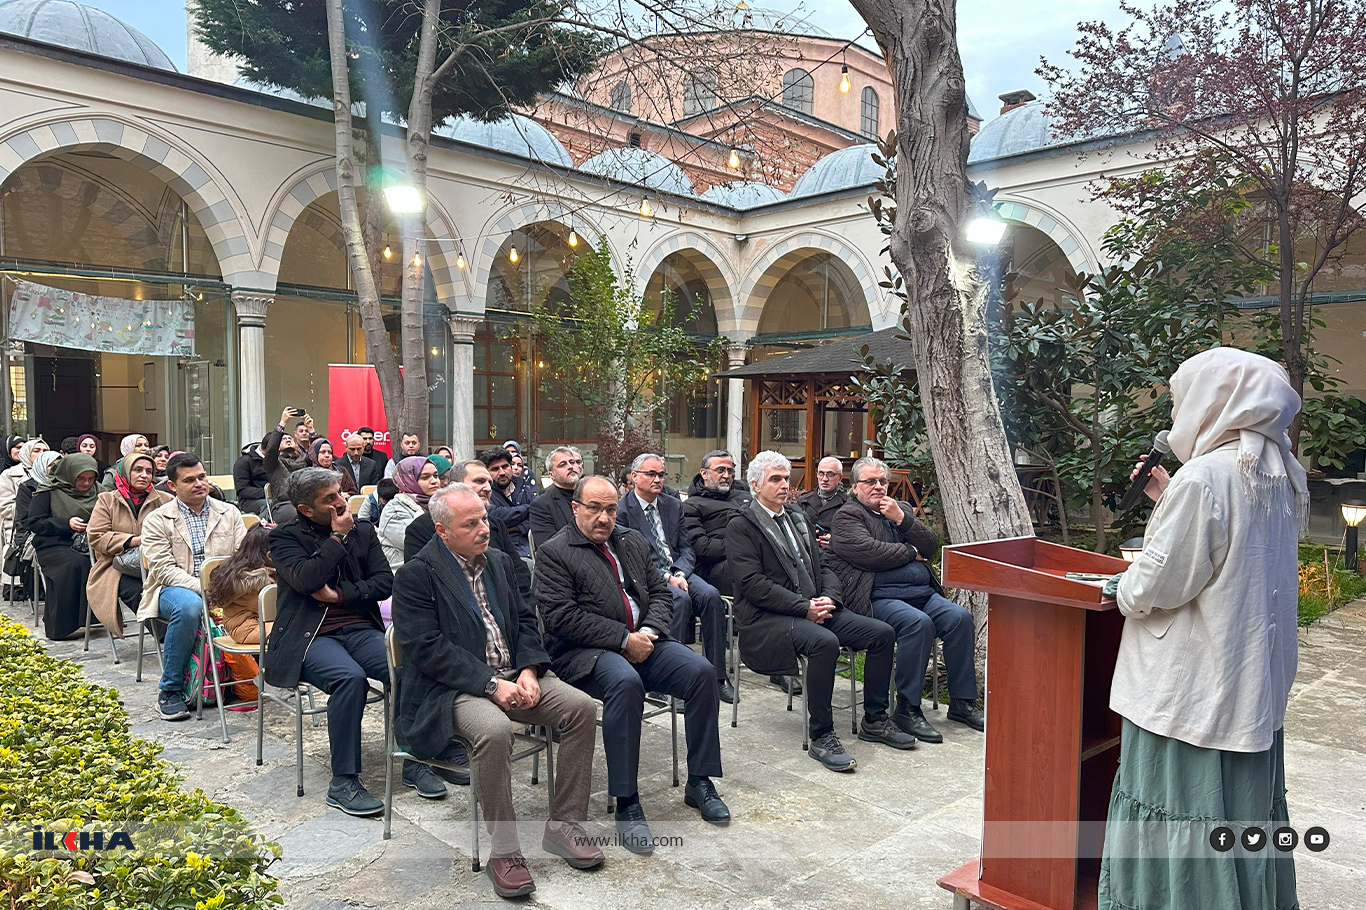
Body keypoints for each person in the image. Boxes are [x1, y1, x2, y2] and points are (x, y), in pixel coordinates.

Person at [1098, 348, 1302, 910]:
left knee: (1178, 813)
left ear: (1214, 399)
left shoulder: (1205, 478)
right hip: (1248, 678)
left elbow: (1155, 588)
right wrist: (1170, 500)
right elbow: (1237, 553)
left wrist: (1125, 582)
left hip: (1190, 688)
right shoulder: (1280, 470)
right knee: (1238, 814)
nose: (1178, 411)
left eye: (1181, 398)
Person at [392, 484, 603, 896]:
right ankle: (504, 852)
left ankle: (564, 823)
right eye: (469, 524)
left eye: (484, 519)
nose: (483, 529)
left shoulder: (502, 563)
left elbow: (527, 621)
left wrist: (528, 670)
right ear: (442, 531)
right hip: (453, 688)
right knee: (494, 730)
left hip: (514, 672)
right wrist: (491, 685)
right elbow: (426, 649)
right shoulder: (417, 575)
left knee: (580, 707)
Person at [535, 475, 730, 851]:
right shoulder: (555, 552)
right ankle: (627, 803)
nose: (604, 518)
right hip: (583, 652)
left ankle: (700, 781)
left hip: (646, 640)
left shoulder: (630, 539)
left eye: (610, 509)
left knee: (702, 672)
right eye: (594, 508)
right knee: (625, 683)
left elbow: (660, 591)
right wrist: (623, 640)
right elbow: (562, 617)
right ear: (576, 508)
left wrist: (650, 633)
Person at [265, 466, 443, 815]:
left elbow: (384, 583)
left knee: (410, 665)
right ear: (306, 509)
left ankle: (413, 758)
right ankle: (343, 782)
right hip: (310, 635)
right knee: (350, 679)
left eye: (340, 492)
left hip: (359, 627)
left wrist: (340, 596)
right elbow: (306, 578)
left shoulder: (363, 529)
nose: (341, 501)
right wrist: (337, 539)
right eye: (329, 498)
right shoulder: (284, 537)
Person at [728, 451, 912, 770]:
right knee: (823, 643)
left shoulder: (797, 516)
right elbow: (752, 584)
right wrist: (803, 607)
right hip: (769, 618)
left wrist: (830, 598)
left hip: (815, 607)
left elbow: (824, 565)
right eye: (775, 479)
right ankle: (822, 735)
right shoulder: (742, 526)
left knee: (882, 634)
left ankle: (876, 721)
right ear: (755, 485)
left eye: (786, 478)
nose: (784, 484)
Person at [827, 456, 983, 743]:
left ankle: (962, 703)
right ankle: (908, 709)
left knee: (959, 618)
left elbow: (932, 546)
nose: (878, 487)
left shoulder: (901, 510)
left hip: (922, 594)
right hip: (878, 597)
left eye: (883, 481)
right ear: (854, 487)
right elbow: (869, 553)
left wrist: (901, 518)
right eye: (870, 482)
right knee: (917, 624)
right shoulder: (847, 516)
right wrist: (911, 552)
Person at [618, 453, 735, 704]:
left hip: (679, 571)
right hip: (645, 577)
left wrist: (679, 572)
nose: (657, 479)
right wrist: (665, 577)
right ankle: (674, 679)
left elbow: (687, 547)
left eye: (661, 475)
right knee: (679, 600)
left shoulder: (672, 504)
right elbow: (628, 557)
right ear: (635, 477)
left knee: (711, 596)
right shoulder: (622, 510)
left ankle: (718, 677)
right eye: (651, 474)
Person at [139, 454, 247, 721]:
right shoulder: (157, 519)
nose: (200, 483)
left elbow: (242, 558)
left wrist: (224, 588)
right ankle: (170, 690)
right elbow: (163, 570)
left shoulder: (228, 512)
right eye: (189, 480)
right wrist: (204, 589)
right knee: (190, 607)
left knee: (269, 595)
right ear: (172, 486)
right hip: (173, 587)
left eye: (202, 477)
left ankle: (253, 680)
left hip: (223, 587)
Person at [681, 450, 798, 694]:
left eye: (731, 471)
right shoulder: (693, 505)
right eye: (720, 470)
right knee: (762, 583)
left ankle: (779, 668)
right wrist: (740, 546)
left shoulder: (744, 496)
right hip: (715, 569)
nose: (726, 475)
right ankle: (721, 678)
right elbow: (701, 548)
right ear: (704, 474)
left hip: (753, 563)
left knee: (783, 579)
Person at [405, 460, 532, 600]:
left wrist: (523, 616)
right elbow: (421, 587)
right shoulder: (421, 529)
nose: (488, 488)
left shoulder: (496, 525)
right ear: (454, 486)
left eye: (490, 483)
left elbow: (519, 574)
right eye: (479, 481)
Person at [86, 451, 172, 639]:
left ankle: (185, 630)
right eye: (138, 470)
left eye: (149, 471)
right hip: (114, 566)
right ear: (125, 472)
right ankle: (168, 637)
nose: (144, 475)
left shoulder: (165, 500)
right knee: (139, 591)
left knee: (175, 589)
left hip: (158, 563)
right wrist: (134, 541)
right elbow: (96, 536)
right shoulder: (107, 500)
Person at [28, 453, 102, 640]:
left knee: (106, 564)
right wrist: (66, 524)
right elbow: (35, 523)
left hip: (91, 542)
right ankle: (62, 625)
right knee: (75, 564)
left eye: (90, 479)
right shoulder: (48, 491)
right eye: (80, 479)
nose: (86, 484)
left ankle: (98, 616)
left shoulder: (99, 492)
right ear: (68, 474)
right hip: (54, 543)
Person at [205, 523, 275, 645]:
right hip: (248, 627)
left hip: (262, 622)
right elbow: (271, 608)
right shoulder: (253, 580)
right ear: (269, 555)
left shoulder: (246, 568)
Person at [379, 456, 441, 569]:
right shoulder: (394, 509)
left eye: (436, 476)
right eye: (425, 477)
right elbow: (415, 542)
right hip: (402, 571)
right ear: (408, 480)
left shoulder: (441, 503)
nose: (434, 481)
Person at [482, 447, 533, 559]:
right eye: (495, 469)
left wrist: (517, 528)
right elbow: (495, 517)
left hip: (530, 548)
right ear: (486, 472)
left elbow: (536, 517)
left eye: (505, 467)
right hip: (501, 553)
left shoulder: (525, 488)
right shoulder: (485, 493)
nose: (502, 472)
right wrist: (527, 508)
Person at [527, 446, 583, 543]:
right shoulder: (541, 505)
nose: (570, 466)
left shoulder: (591, 494)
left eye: (572, 462)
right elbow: (548, 546)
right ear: (551, 474)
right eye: (562, 465)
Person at [797, 456, 848, 548]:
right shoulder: (804, 500)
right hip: (809, 553)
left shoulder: (848, 503)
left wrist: (836, 541)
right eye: (821, 474)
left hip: (835, 556)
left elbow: (854, 534)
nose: (825, 479)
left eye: (830, 474)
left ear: (840, 478)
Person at [233, 439, 272, 518]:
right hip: (249, 500)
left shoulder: (277, 460)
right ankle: (260, 529)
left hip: (273, 496)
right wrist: (268, 493)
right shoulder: (243, 462)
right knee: (270, 505)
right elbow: (242, 489)